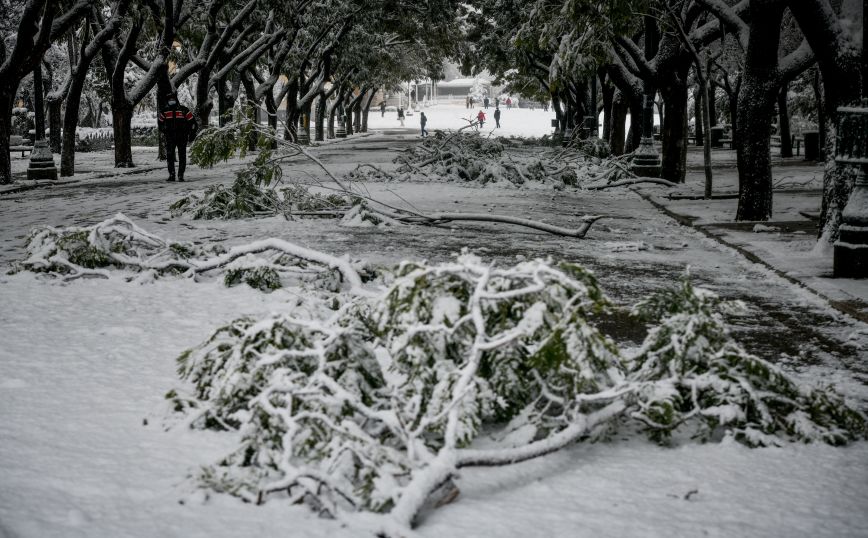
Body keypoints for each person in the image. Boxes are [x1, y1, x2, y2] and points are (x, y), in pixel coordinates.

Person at [158, 91, 197, 182]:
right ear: (167, 100)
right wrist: (165, 131)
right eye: (170, 99)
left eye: (173, 99)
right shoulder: (165, 111)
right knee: (170, 156)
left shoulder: (184, 110)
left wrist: (191, 133)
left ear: (176, 99)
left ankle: (180, 175)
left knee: (182, 156)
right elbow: (160, 123)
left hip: (182, 137)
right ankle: (171, 175)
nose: (171, 101)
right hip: (170, 137)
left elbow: (193, 122)